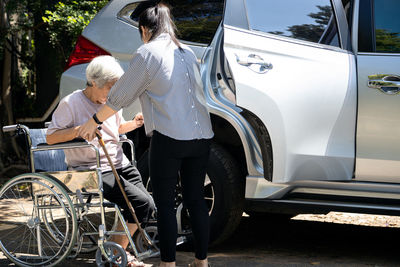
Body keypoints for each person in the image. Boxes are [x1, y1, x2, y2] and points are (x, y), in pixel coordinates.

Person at [77, 2, 214, 267]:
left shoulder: (147, 52)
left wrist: (94, 120)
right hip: (201, 137)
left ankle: (168, 264)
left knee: (164, 203)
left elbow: (120, 95)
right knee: (195, 200)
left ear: (144, 29)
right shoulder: (186, 52)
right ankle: (202, 262)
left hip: (169, 138)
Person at [46, 55, 155, 267]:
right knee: (142, 204)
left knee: (147, 204)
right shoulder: (71, 103)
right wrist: (79, 130)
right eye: (109, 88)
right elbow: (51, 137)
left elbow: (115, 130)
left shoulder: (110, 103)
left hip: (119, 163)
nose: (112, 93)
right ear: (94, 83)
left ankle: (117, 247)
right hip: (90, 170)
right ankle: (114, 252)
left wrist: (133, 124)